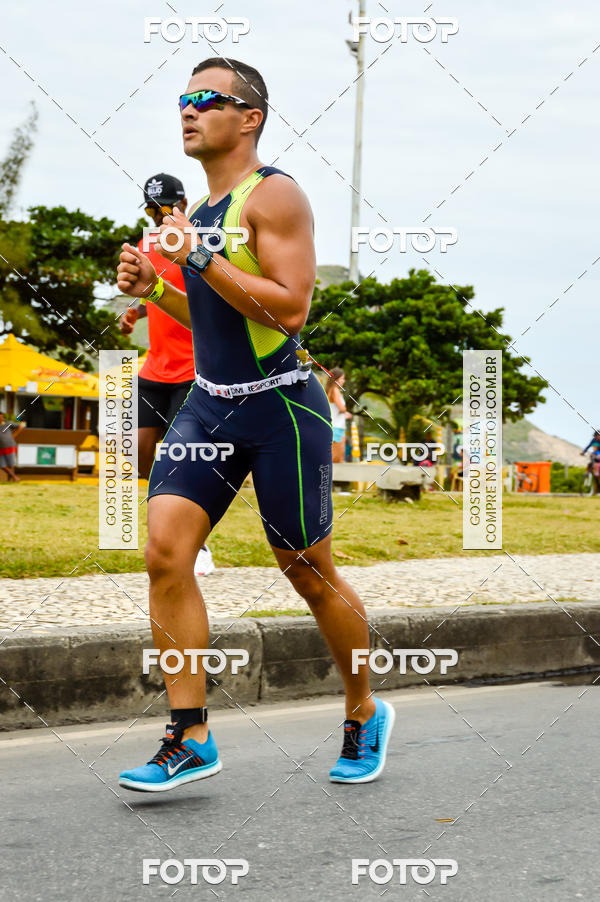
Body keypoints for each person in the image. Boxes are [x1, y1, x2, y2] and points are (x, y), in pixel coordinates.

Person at [116, 57, 394, 792]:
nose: (188, 109)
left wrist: (199, 258)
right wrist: (158, 290)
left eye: (207, 98)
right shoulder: (199, 216)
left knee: (305, 568)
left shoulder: (275, 197)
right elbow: (216, 320)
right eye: (182, 98)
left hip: (280, 405)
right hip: (211, 402)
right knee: (164, 553)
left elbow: (289, 309)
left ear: (250, 117)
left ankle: (364, 709)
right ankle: (189, 733)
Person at [119, 173, 214, 576]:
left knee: (182, 457)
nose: (160, 217)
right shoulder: (147, 244)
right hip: (155, 366)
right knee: (139, 451)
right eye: (151, 210)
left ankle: (197, 543)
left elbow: (212, 294)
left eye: (167, 209)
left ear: (185, 203)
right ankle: (170, 523)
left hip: (193, 369)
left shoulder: (202, 242)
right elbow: (153, 289)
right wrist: (135, 312)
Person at [326, 368, 352, 464]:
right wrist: (345, 411)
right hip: (336, 427)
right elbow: (341, 408)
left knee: (338, 458)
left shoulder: (330, 390)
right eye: (342, 378)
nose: (343, 381)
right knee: (337, 459)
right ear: (336, 379)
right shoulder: (335, 390)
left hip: (337, 426)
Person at [0, 410, 25, 482]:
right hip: (0, 447)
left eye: (1, 417)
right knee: (1, 465)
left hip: (9, 445)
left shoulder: (8, 424)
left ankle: (11, 479)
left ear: (3, 418)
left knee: (10, 464)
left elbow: (21, 426)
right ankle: (14, 477)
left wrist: (14, 435)